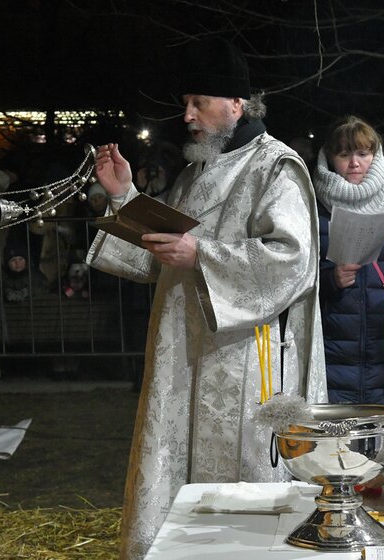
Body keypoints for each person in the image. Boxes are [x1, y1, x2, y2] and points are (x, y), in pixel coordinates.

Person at [86, 37, 327, 559]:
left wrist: (203, 254)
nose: (187, 115)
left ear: (237, 104)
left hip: (243, 357)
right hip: (182, 350)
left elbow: (292, 259)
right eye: (185, 104)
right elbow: (161, 252)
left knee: (243, 485)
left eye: (199, 103)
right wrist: (124, 197)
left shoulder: (276, 168)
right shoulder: (197, 170)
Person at [312, 116, 384, 418]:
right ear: (330, 157)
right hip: (332, 352)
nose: (354, 163)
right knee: (335, 447)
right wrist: (331, 280)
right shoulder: (313, 206)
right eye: (344, 154)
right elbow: (295, 275)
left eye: (363, 153)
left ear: (375, 156)